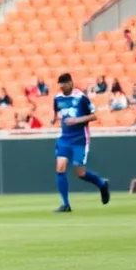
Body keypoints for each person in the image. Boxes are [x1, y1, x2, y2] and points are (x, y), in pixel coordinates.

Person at [51, 73, 110, 212]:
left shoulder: (81, 98)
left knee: (80, 173)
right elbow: (56, 113)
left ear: (70, 83)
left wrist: (77, 120)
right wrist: (53, 120)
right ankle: (65, 204)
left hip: (80, 139)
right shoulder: (57, 98)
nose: (62, 88)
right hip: (65, 138)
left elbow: (95, 115)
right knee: (60, 167)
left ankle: (102, 184)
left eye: (64, 85)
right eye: (60, 86)